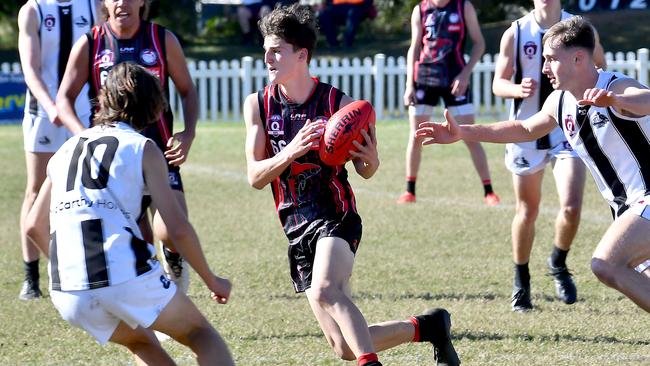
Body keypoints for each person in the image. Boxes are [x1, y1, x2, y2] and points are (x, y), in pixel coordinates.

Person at [243, 4, 460, 365]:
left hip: (335, 215)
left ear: (301, 54)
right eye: (266, 49)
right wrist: (291, 152)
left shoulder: (337, 104)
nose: (267, 57)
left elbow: (365, 169)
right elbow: (254, 176)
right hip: (295, 226)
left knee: (327, 289)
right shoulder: (259, 105)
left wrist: (371, 160)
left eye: (276, 49)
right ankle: (429, 327)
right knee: (343, 346)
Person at [416, 16, 650, 315]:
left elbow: (645, 99)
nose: (543, 68)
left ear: (578, 58)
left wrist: (616, 100)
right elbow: (525, 130)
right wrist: (463, 132)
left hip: (646, 200)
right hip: (627, 210)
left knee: (606, 264)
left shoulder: (616, 86)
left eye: (551, 59)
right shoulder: (559, 102)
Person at [25, 62, 234, 365]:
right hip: (121, 272)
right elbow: (177, 228)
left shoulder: (65, 151)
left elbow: (33, 226)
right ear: (154, 109)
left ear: (104, 99)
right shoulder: (143, 148)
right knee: (201, 334)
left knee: (142, 342)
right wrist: (213, 281)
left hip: (67, 290)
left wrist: (73, 270)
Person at [56, 0, 198, 293]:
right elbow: (63, 99)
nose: (122, 3)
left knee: (170, 228)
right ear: (104, 3)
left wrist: (188, 132)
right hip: (113, 160)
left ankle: (174, 259)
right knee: (136, 237)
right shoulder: (91, 43)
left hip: (159, 151)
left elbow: (187, 90)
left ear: (143, 1)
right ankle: (156, 294)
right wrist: (84, 137)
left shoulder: (162, 39)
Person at [492, 0, 606, 312]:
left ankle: (558, 261)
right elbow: (497, 83)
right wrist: (516, 89)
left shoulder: (579, 28)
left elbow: (600, 66)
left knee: (571, 207)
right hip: (526, 130)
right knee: (527, 211)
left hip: (566, 128)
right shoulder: (516, 33)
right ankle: (522, 281)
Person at [17, 0, 99, 300]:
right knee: (37, 189)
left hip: (84, 111)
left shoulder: (92, 5)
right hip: (44, 112)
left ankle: (87, 269)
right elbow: (31, 69)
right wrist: (52, 106)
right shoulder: (33, 10)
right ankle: (31, 277)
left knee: (87, 188)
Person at [398, 0, 499, 205]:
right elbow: (415, 47)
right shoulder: (421, 9)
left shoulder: (463, 7)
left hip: (455, 78)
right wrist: (409, 85)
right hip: (424, 79)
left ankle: (489, 191)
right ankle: (410, 190)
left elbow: (479, 43)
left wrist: (465, 74)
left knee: (471, 135)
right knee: (416, 135)